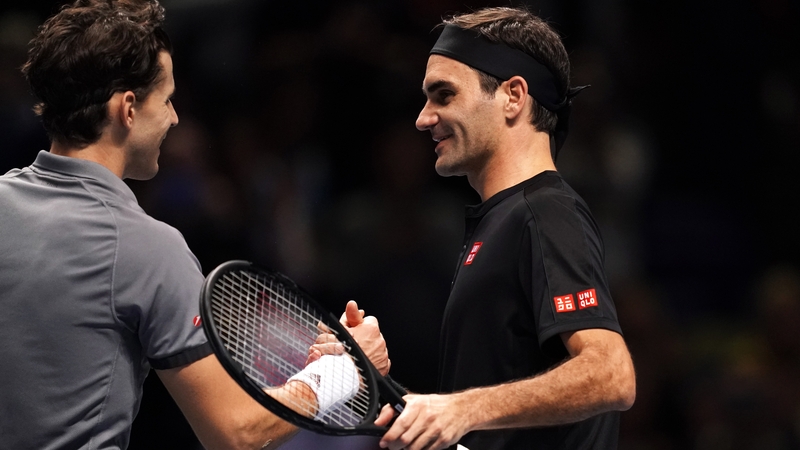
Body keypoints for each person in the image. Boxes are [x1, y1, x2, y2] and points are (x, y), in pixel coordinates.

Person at [0, 1, 390, 449]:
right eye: (167, 100)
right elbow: (236, 432)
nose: (175, 117)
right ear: (128, 109)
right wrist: (343, 371)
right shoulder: (147, 247)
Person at [371, 7, 636, 450]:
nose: (423, 118)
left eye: (443, 95)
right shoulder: (505, 220)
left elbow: (611, 374)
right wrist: (382, 386)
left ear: (513, 96)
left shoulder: (546, 212)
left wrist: (462, 409)